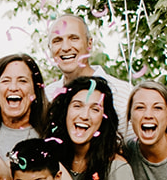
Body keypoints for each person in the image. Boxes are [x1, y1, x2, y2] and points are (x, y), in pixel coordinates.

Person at [42, 12, 133, 141]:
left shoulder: (124, 93)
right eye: (57, 41)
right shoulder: (46, 96)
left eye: (74, 38)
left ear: (89, 44)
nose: (66, 47)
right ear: (49, 48)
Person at [0, 53, 50, 157]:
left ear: (35, 90)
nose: (13, 87)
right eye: (6, 81)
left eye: (22, 81)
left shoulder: (52, 133)